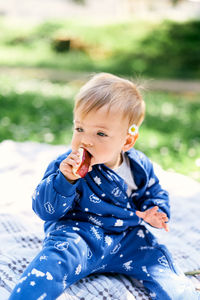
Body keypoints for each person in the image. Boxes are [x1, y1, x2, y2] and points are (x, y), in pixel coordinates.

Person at [9, 73, 199, 300]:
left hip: (126, 238)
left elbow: (154, 192)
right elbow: (46, 210)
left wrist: (155, 211)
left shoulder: (138, 166)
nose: (85, 140)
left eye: (100, 133)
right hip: (77, 236)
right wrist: (65, 180)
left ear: (127, 141)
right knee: (52, 263)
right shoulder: (64, 166)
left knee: (161, 264)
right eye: (79, 129)